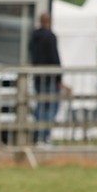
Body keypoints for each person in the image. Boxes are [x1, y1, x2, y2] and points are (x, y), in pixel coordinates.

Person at [28, 12, 68, 146]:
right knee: (51, 107)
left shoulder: (34, 36)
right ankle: (45, 136)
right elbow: (54, 57)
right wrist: (59, 78)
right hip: (50, 78)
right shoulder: (50, 36)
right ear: (50, 22)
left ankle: (38, 136)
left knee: (40, 107)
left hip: (38, 78)